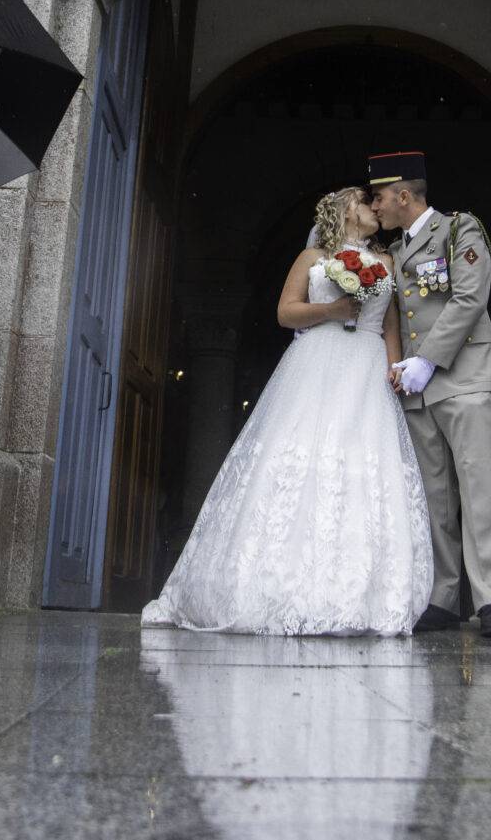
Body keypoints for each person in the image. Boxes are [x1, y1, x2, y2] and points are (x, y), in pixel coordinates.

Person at [142, 186, 432, 636]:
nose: (375, 208)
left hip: (366, 370)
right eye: (364, 201)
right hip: (316, 364)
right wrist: (333, 309)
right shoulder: (313, 258)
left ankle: (361, 595)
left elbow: (391, 323)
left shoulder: (389, 262)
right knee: (301, 461)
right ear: (344, 212)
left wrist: (394, 371)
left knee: (362, 468)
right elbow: (285, 312)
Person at [369, 151, 491, 639]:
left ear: (404, 196)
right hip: (418, 391)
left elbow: (470, 296)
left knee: (480, 491)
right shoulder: (396, 249)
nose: (376, 206)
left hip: (465, 376)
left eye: (381, 197)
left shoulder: (458, 230)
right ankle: (445, 597)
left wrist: (427, 359)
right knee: (434, 498)